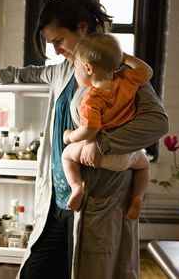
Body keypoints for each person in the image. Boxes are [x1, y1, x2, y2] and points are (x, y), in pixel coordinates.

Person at [0, 0, 168, 279]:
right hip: (58, 203)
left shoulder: (118, 74)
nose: (55, 50)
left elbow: (157, 123)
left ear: (82, 28)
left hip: (98, 206)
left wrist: (103, 144)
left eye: (59, 41)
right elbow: (31, 72)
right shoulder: (63, 69)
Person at [61, 33, 152, 221]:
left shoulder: (92, 98)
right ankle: (138, 197)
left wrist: (70, 136)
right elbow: (147, 71)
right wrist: (125, 58)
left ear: (87, 67)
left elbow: (90, 130)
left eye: (75, 68)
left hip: (103, 155)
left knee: (67, 155)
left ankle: (77, 187)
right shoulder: (127, 80)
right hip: (127, 154)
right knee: (144, 166)